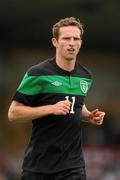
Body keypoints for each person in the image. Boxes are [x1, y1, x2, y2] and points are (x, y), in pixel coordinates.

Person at [8, 17, 105, 180]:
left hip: (73, 166)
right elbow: (14, 113)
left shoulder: (85, 76)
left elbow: (75, 105)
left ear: (81, 42)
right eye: (66, 38)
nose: (71, 43)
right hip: (38, 166)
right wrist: (51, 108)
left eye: (76, 39)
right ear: (55, 42)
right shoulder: (37, 73)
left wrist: (88, 115)